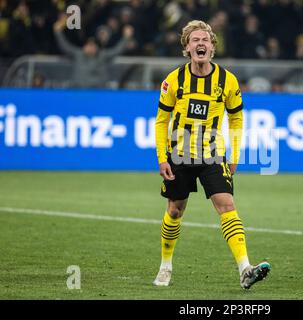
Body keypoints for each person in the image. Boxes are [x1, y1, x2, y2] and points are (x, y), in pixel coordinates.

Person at [153, 20, 270, 289]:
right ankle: (165, 266)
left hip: (213, 155)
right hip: (179, 155)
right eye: (195, 40)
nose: (200, 43)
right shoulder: (173, 80)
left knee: (226, 204)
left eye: (205, 39)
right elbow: (162, 121)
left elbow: (237, 120)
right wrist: (162, 158)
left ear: (212, 47)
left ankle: (245, 269)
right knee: (174, 210)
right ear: (187, 47)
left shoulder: (227, 81)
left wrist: (235, 156)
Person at [53, 16, 134, 88]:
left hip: (99, 93)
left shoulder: (103, 55)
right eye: (88, 45)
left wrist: (126, 37)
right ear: (84, 47)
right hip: (78, 93)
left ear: (97, 48)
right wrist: (58, 32)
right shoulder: (78, 54)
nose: (91, 48)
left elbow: (117, 50)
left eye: (93, 45)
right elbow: (64, 46)